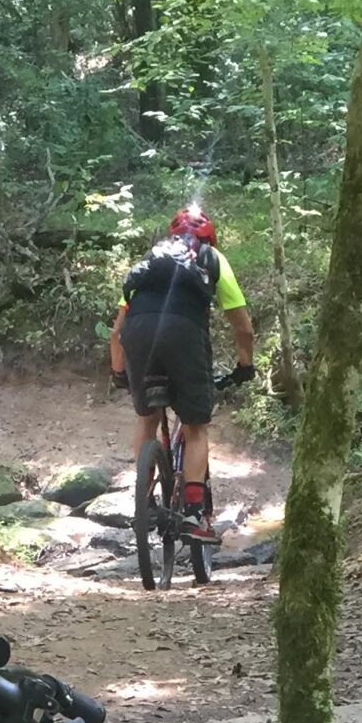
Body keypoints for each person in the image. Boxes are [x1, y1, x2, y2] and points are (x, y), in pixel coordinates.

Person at [108, 207, 255, 542]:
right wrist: (245, 365)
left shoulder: (151, 260)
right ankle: (193, 515)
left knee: (147, 418)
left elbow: (116, 331)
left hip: (138, 334)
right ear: (211, 237)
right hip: (184, 334)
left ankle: (144, 503)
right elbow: (243, 327)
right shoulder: (212, 258)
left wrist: (118, 371)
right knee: (195, 427)